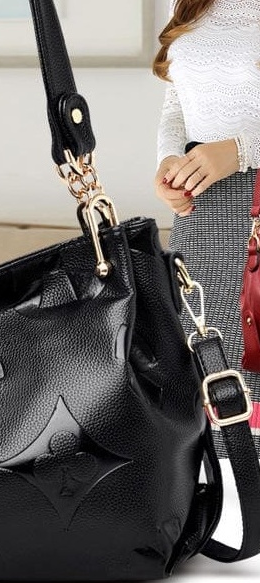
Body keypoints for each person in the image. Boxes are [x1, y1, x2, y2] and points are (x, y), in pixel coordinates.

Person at [154, 0, 260, 454]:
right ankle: (215, 475)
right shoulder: (189, 4)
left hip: (253, 193)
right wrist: (168, 162)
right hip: (202, 205)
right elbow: (176, 106)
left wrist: (240, 150)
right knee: (200, 351)